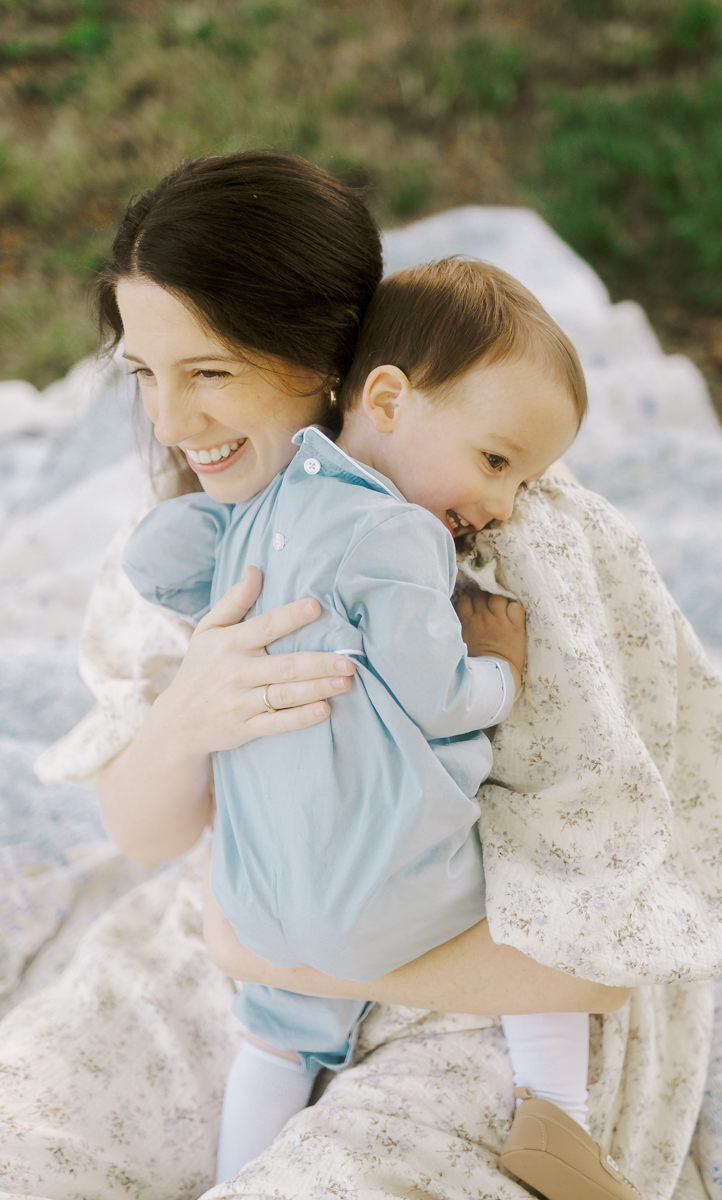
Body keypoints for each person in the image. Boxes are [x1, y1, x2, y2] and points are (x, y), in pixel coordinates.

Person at [121, 256, 626, 1198]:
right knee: (549, 897)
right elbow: (435, 695)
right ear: (386, 399)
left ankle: (239, 1177)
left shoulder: (254, 504)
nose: (503, 509)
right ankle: (558, 1117)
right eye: (497, 462)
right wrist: (502, 679)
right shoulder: (399, 532)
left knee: (270, 1038)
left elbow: (155, 564)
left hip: (264, 914)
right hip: (389, 905)